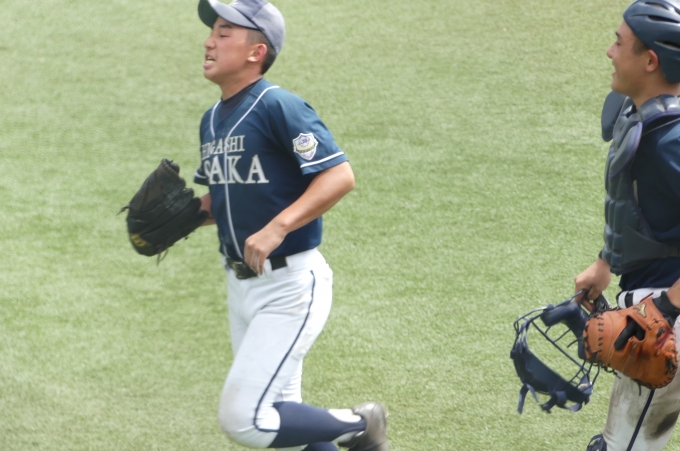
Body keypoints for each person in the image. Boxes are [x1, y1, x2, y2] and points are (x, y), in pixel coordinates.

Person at [191, 1, 389, 450]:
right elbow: (225, 197)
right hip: (242, 287)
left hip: (289, 287)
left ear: (255, 52)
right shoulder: (212, 119)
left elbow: (339, 176)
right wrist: (183, 216)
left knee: (244, 420)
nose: (208, 42)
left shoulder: (278, 105)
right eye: (212, 32)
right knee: (285, 418)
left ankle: (362, 425)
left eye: (223, 33)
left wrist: (278, 226)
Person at [574, 1, 680, 449]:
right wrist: (606, 262)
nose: (609, 52)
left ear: (650, 60)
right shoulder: (642, 115)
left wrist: (666, 309)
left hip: (665, 314)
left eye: (619, 43)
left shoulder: (670, 140)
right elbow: (642, 205)